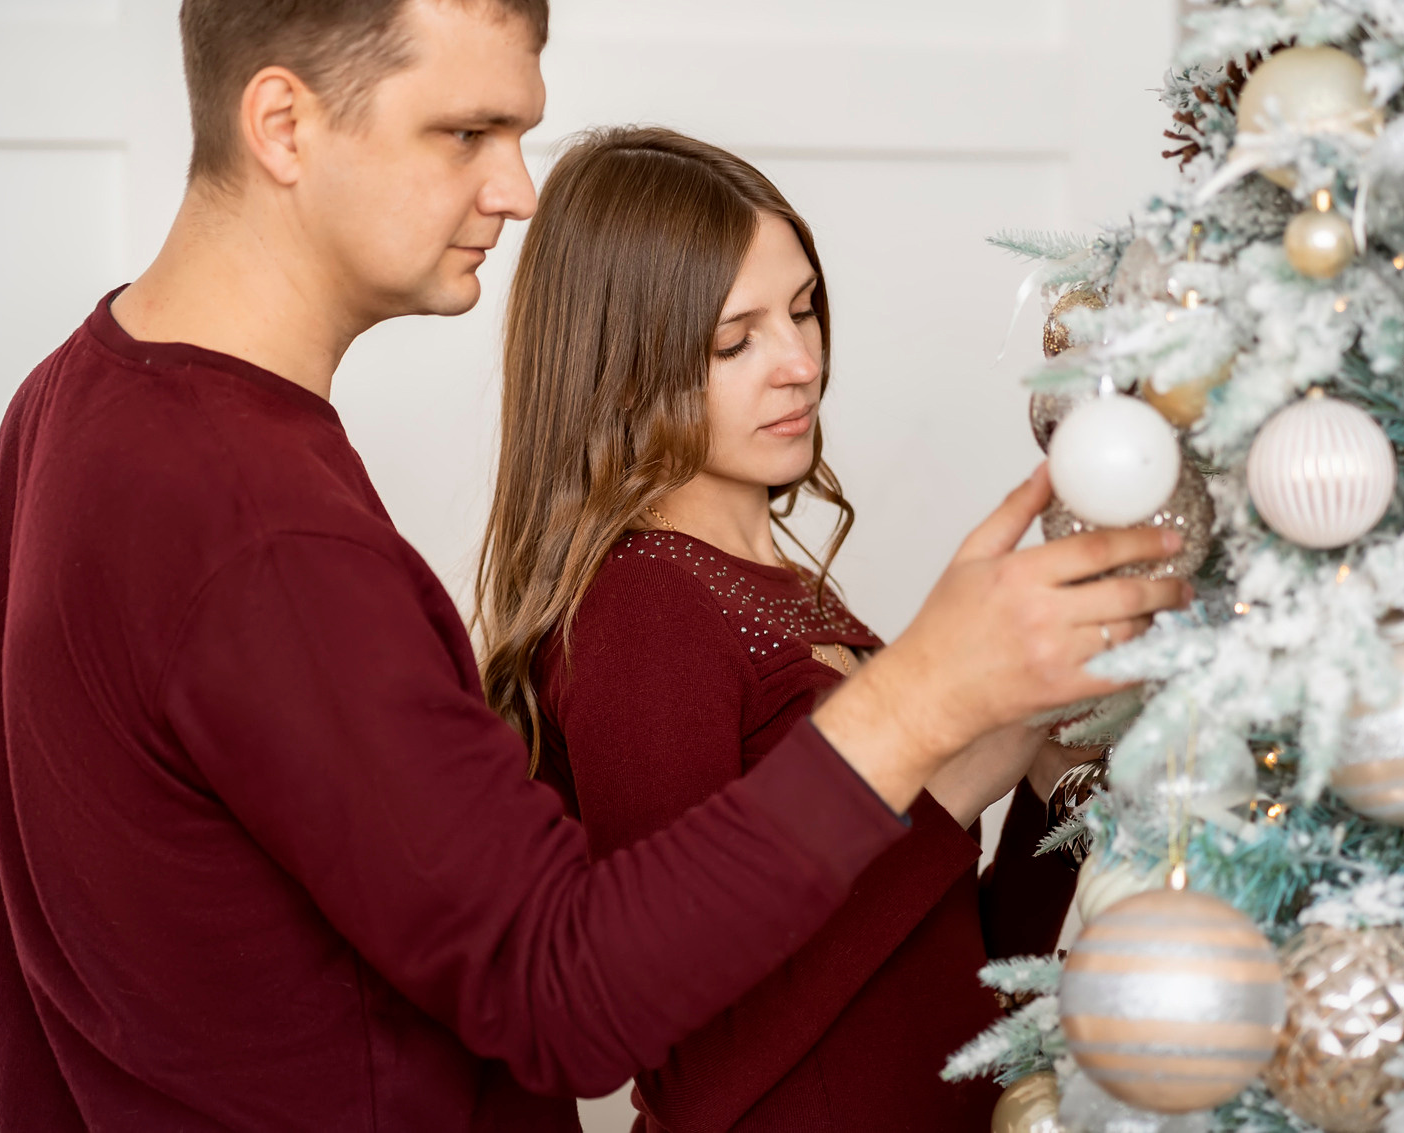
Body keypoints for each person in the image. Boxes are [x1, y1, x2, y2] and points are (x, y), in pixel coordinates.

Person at [0, 0, 1187, 1132]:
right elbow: (567, 993)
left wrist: (995, 740)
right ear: (282, 123)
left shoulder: (73, 401)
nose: (518, 190)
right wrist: (925, 691)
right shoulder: (258, 528)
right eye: (465, 133)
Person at [477, 128, 1171, 1131]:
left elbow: (946, 978)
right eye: (736, 339)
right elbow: (698, 1066)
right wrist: (954, 769)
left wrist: (1050, 771)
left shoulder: (790, 592)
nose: (800, 362)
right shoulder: (641, 606)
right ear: (622, 367)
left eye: (803, 309)